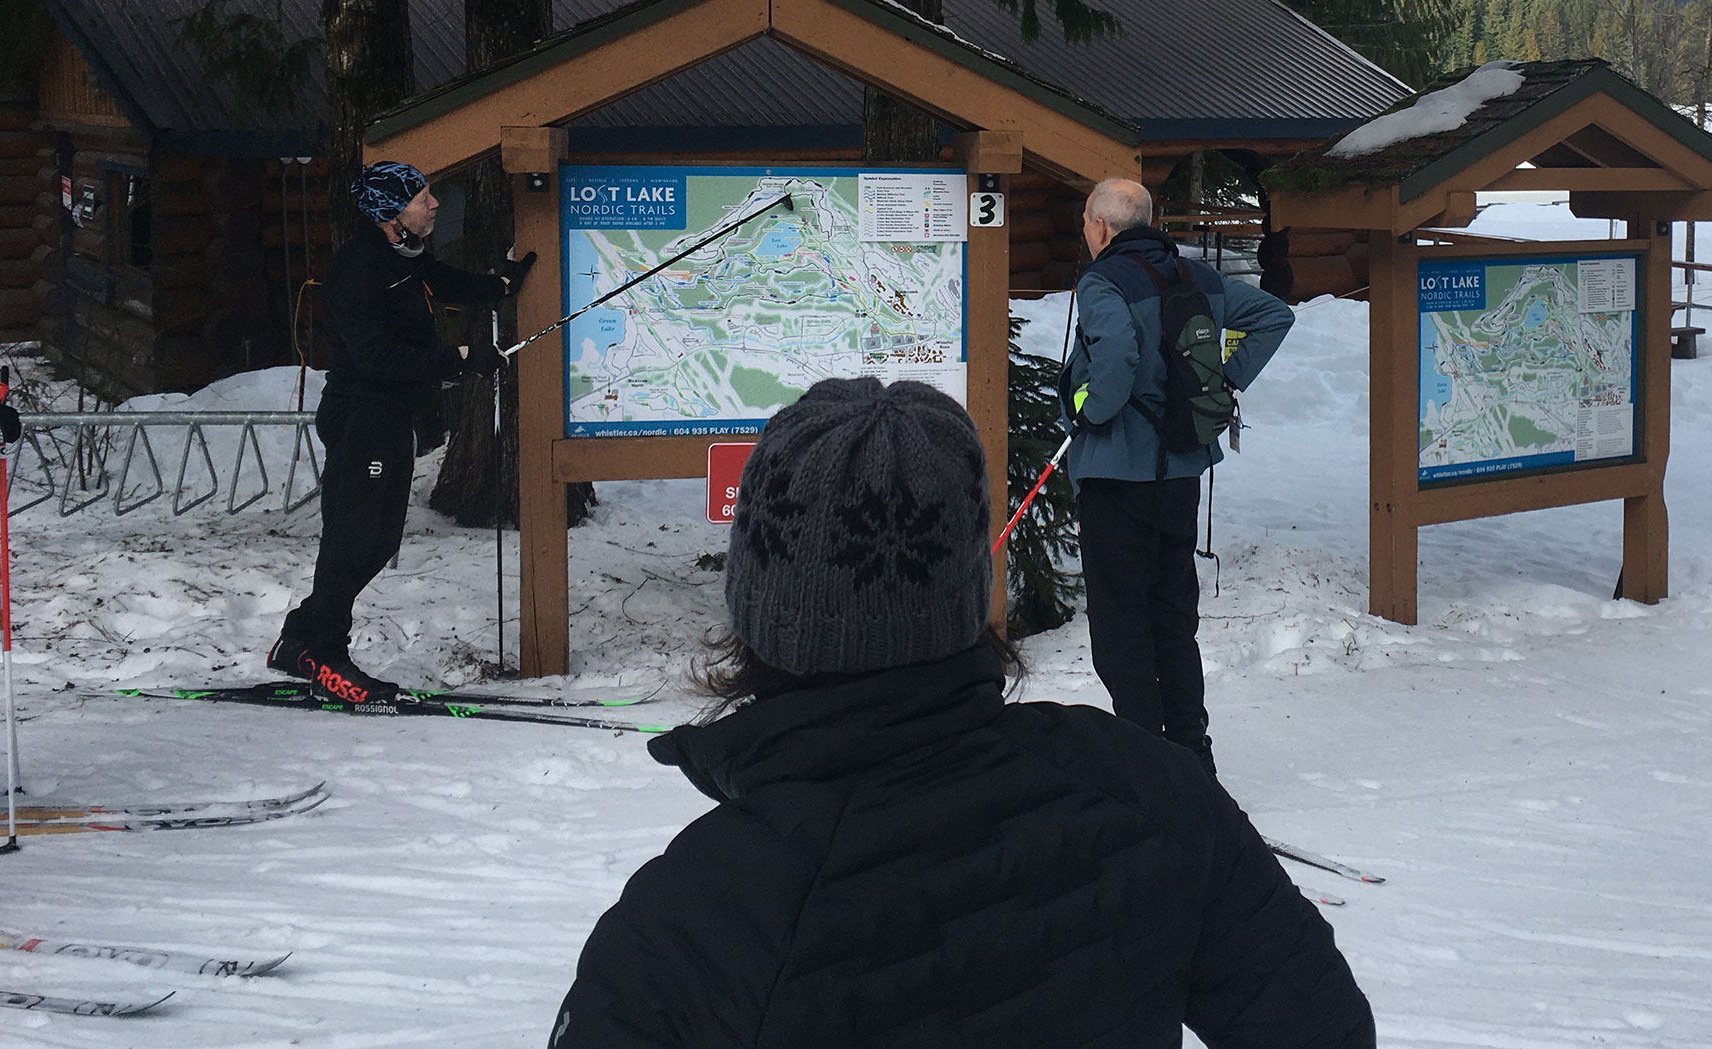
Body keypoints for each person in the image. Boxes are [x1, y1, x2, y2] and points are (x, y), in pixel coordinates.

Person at [551, 377, 1374, 1049]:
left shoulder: (695, 920)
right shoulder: (1144, 787)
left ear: (760, 608)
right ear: (962, 589)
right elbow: (1320, 1023)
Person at [268, 161, 534, 703]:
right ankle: (326, 653)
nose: (434, 204)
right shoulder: (359, 269)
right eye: (422, 197)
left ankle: (298, 639)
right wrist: (460, 358)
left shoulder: (404, 256)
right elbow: (375, 356)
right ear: (392, 213)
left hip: (388, 418)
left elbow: (444, 282)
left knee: (379, 538)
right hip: (362, 415)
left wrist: (501, 284)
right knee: (355, 538)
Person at [1059, 178, 1294, 777]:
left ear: (1103, 227)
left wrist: (1089, 409)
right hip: (1182, 473)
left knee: (1121, 630)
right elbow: (1273, 314)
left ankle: (1146, 770)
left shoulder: (1103, 281)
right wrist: (1224, 381)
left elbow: (1114, 360)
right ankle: (1191, 759)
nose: (1085, 231)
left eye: (1087, 219)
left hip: (1117, 478)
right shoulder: (1195, 275)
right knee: (1172, 620)